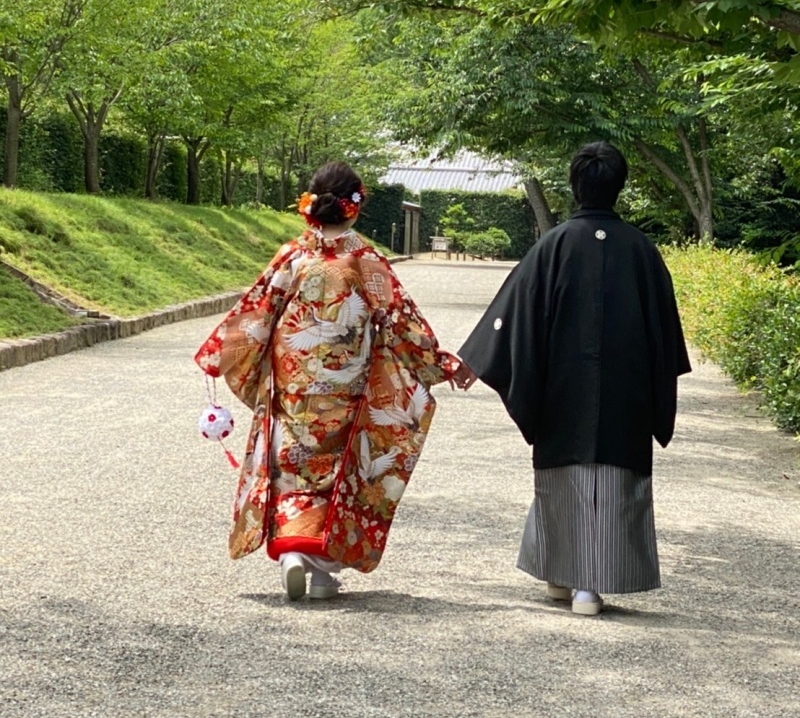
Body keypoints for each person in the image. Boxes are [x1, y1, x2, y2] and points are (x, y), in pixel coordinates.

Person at [195, 161, 462, 601]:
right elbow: (398, 321)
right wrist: (439, 363)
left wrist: (216, 354)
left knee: (291, 464)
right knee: (338, 469)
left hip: (293, 384)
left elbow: (257, 313)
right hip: (346, 386)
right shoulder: (365, 261)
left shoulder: (294, 256)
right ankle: (321, 572)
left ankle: (291, 555)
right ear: (354, 208)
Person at [456, 142, 691, 616]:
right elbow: (665, 333)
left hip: (562, 389)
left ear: (574, 185)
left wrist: (474, 359)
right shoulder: (642, 251)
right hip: (626, 392)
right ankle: (576, 581)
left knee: (563, 476)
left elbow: (512, 316)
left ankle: (575, 581)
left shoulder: (554, 245)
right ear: (618, 187)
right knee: (612, 481)